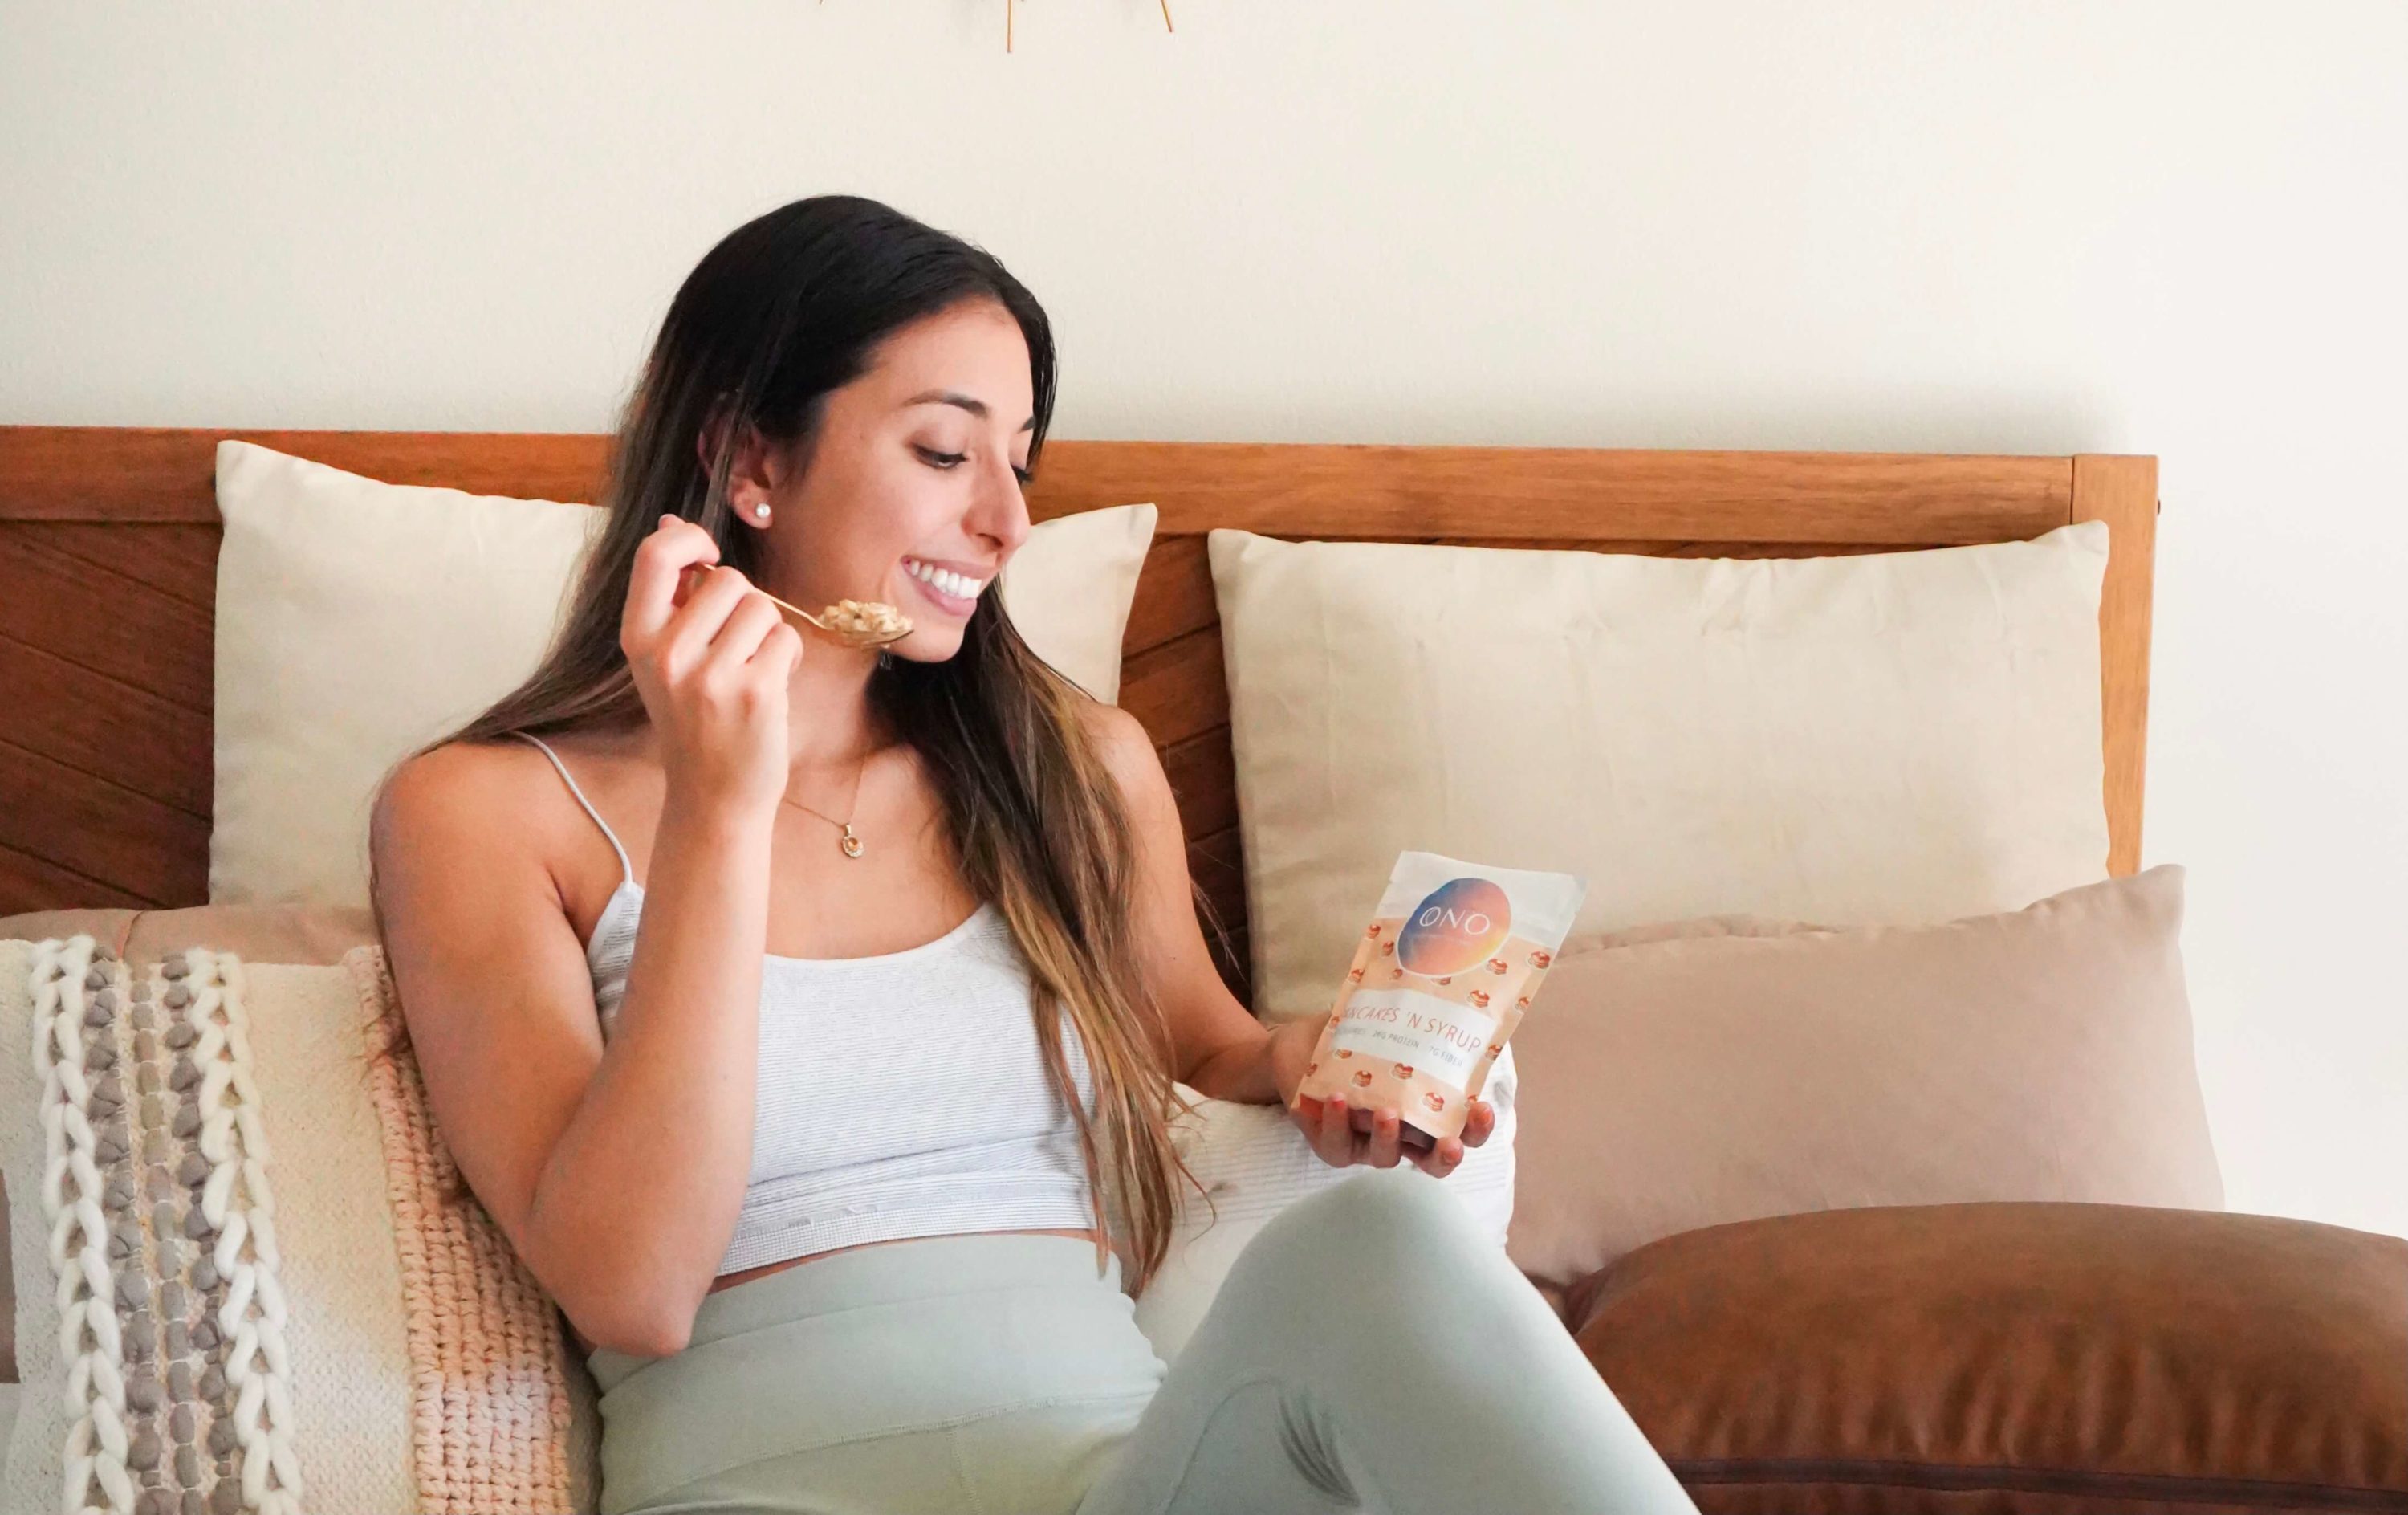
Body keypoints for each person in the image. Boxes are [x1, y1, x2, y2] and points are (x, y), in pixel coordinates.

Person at [367, 193, 1699, 1515]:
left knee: (1380, 1239)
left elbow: (1207, 1048)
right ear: (749, 455)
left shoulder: (1073, 771)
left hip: (1120, 1487)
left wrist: (1305, 1062)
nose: (1006, 522)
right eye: (946, 453)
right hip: (761, 1489)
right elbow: (635, 1289)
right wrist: (719, 809)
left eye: (1020, 464)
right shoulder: (480, 814)